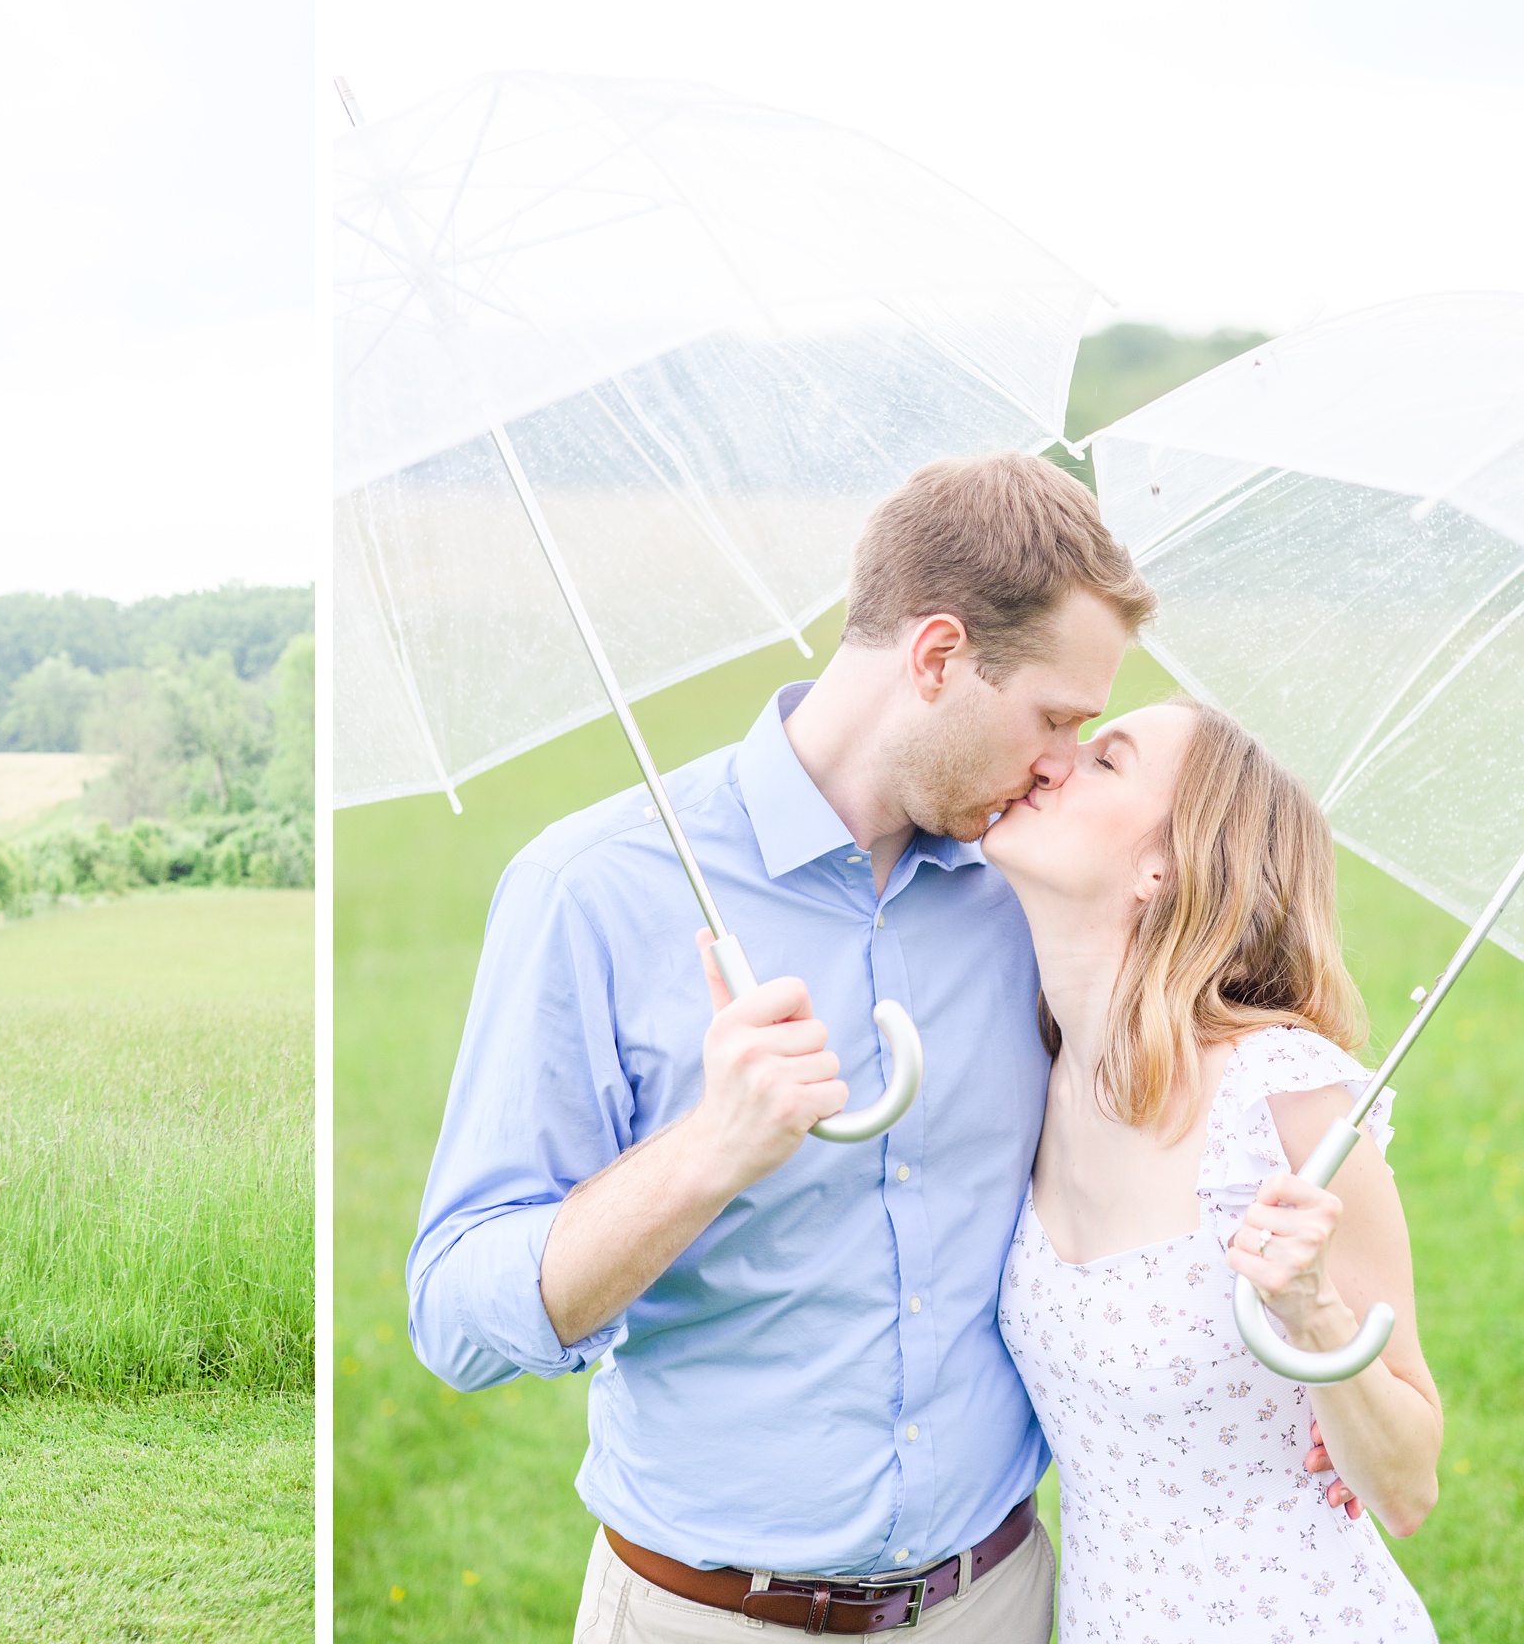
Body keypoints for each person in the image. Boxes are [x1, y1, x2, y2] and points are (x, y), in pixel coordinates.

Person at [410, 454, 1156, 1641]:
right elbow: (455, 1314)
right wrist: (709, 1150)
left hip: (996, 1602)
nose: (1066, 760)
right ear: (937, 657)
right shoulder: (590, 890)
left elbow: (1168, 1128)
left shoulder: (1031, 887)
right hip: (707, 1616)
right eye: (1056, 718)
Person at [986, 698, 1438, 1641]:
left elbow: (1405, 1485)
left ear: (1166, 865)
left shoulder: (1285, 1098)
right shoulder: (1033, 1075)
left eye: (1106, 761)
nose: (1053, 762)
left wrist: (1312, 1314)